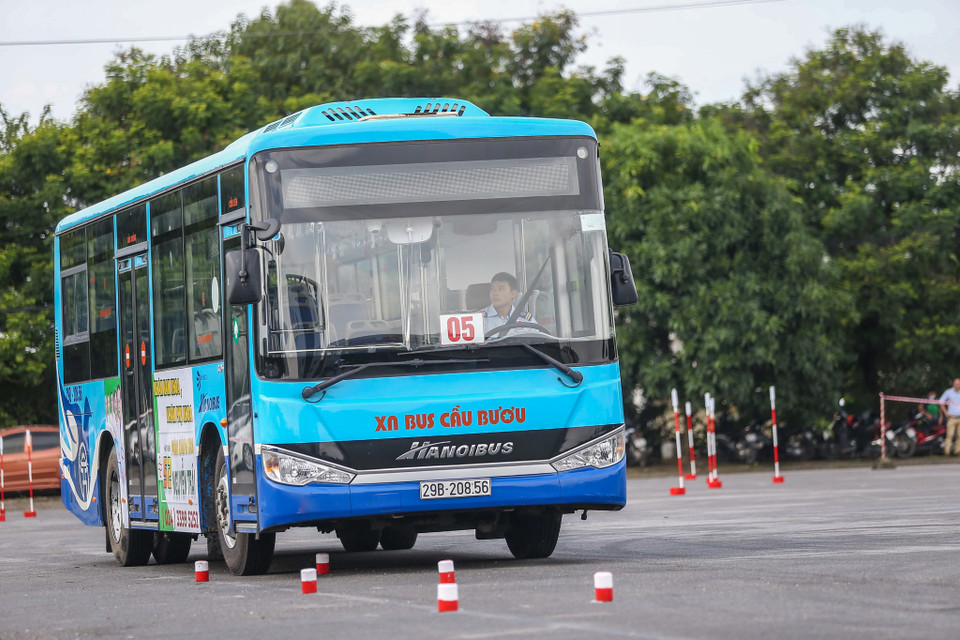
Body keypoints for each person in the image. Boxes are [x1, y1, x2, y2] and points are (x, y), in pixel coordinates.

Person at [938, 379, 960, 455]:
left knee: (959, 435)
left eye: (959, 384)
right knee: (949, 435)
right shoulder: (948, 392)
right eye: (956, 384)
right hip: (951, 418)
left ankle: (957, 451)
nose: (958, 385)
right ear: (953, 384)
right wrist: (945, 412)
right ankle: (947, 451)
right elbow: (941, 402)